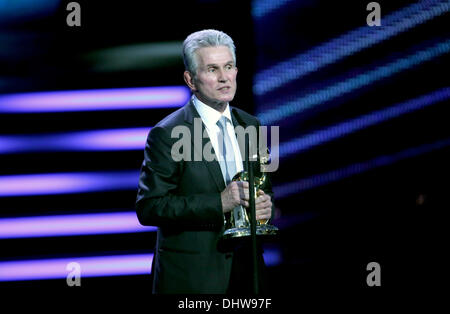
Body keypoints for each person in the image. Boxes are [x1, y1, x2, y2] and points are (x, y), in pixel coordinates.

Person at [136, 29, 275, 294]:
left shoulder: (252, 125)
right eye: (212, 69)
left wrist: (264, 206)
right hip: (194, 278)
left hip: (249, 273)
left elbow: (263, 188)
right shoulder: (167, 134)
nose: (224, 78)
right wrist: (219, 203)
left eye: (229, 66)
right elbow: (149, 207)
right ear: (191, 79)